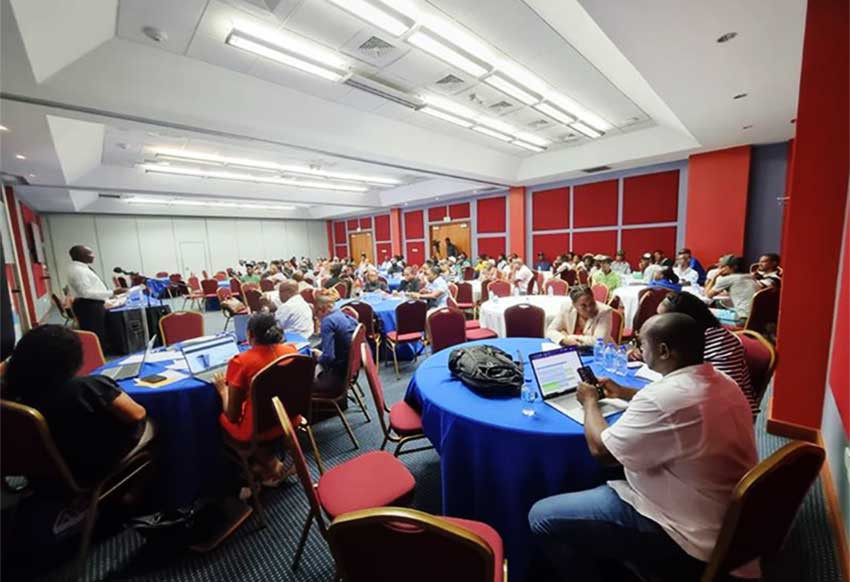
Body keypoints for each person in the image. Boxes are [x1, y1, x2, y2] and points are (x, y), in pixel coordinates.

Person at [529, 313, 758, 582]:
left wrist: (590, 402)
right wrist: (624, 392)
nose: (637, 351)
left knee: (541, 516)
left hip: (684, 534)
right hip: (728, 520)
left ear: (663, 351)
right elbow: (678, 407)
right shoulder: (723, 381)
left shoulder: (663, 399)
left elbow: (603, 453)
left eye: (642, 344)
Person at [2, 325, 152, 483]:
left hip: (45, 473)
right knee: (155, 424)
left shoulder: (14, 395)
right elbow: (137, 414)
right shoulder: (85, 387)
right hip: (91, 468)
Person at [215, 314, 295, 484]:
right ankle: (265, 465)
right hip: (289, 419)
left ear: (250, 335)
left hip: (255, 430)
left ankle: (256, 469)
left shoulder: (240, 362)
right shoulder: (291, 351)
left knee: (218, 420)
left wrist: (223, 390)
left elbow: (232, 416)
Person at [656, 292, 759, 417]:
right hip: (695, 400)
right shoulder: (682, 337)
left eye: (663, 319)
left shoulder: (721, 342)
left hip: (730, 414)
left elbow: (723, 392)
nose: (658, 323)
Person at [66, 245, 127, 348]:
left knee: (101, 331)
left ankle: (103, 352)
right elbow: (86, 293)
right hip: (88, 305)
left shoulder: (82, 267)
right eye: (90, 253)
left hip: (93, 303)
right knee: (96, 334)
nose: (94, 256)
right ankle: (99, 357)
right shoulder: (78, 271)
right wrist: (112, 293)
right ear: (80, 255)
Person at [312, 291, 357, 396]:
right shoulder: (346, 316)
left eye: (316, 315)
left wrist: (318, 357)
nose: (316, 319)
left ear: (322, 310)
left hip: (337, 375)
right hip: (351, 370)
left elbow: (329, 357)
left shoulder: (327, 322)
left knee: (301, 378)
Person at [546, 286, 614, 347]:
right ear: (574, 305)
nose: (589, 308)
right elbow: (550, 331)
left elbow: (599, 341)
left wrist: (570, 337)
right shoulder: (567, 308)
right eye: (583, 306)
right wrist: (563, 340)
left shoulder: (604, 312)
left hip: (601, 353)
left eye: (592, 303)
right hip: (576, 352)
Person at [705, 255, 759, 320]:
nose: (719, 270)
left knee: (705, 313)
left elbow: (708, 295)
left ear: (734, 267)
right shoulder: (751, 277)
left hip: (742, 319)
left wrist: (714, 277)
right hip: (755, 318)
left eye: (722, 267)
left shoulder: (727, 279)